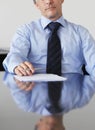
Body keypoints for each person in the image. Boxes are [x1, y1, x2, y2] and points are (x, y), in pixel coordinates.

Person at [3, 0, 95, 76]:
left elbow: (93, 63)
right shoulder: (25, 31)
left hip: (73, 91)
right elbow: (15, 55)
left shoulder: (81, 33)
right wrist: (17, 66)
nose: (48, 1)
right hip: (35, 89)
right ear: (36, 5)